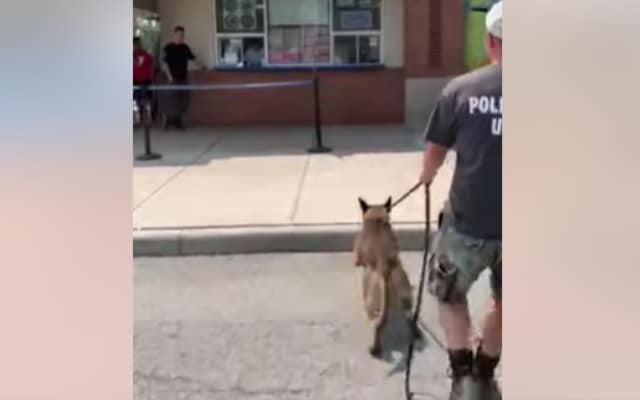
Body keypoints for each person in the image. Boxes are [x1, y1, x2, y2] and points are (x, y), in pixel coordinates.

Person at [419, 2, 502, 400]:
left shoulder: (461, 89)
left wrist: (427, 176)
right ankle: (486, 370)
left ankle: (461, 373)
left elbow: (434, 151)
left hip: (467, 221)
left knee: (450, 293)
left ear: (490, 41)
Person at [161, 25, 206, 130]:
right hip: (172, 78)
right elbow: (164, 63)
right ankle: (168, 120)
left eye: (182, 35)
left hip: (183, 77)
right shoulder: (168, 47)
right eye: (179, 34)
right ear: (175, 34)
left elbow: (193, 59)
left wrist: (202, 66)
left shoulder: (185, 47)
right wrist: (169, 76)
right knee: (172, 100)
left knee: (183, 100)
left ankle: (177, 120)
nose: (181, 37)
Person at [133, 37, 155, 125]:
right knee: (134, 100)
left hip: (145, 80)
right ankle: (136, 118)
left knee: (147, 100)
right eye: (134, 44)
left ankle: (148, 118)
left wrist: (151, 76)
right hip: (134, 81)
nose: (136, 46)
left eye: (138, 44)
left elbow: (152, 65)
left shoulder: (146, 54)